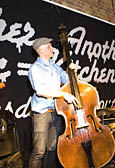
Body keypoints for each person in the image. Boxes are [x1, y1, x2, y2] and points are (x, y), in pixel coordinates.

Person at [28, 37, 77, 168]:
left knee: (53, 149)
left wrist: (73, 71)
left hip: (56, 112)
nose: (52, 48)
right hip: (42, 114)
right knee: (39, 152)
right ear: (41, 50)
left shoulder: (56, 68)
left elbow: (70, 83)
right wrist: (62, 94)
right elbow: (41, 91)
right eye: (49, 46)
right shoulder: (35, 68)